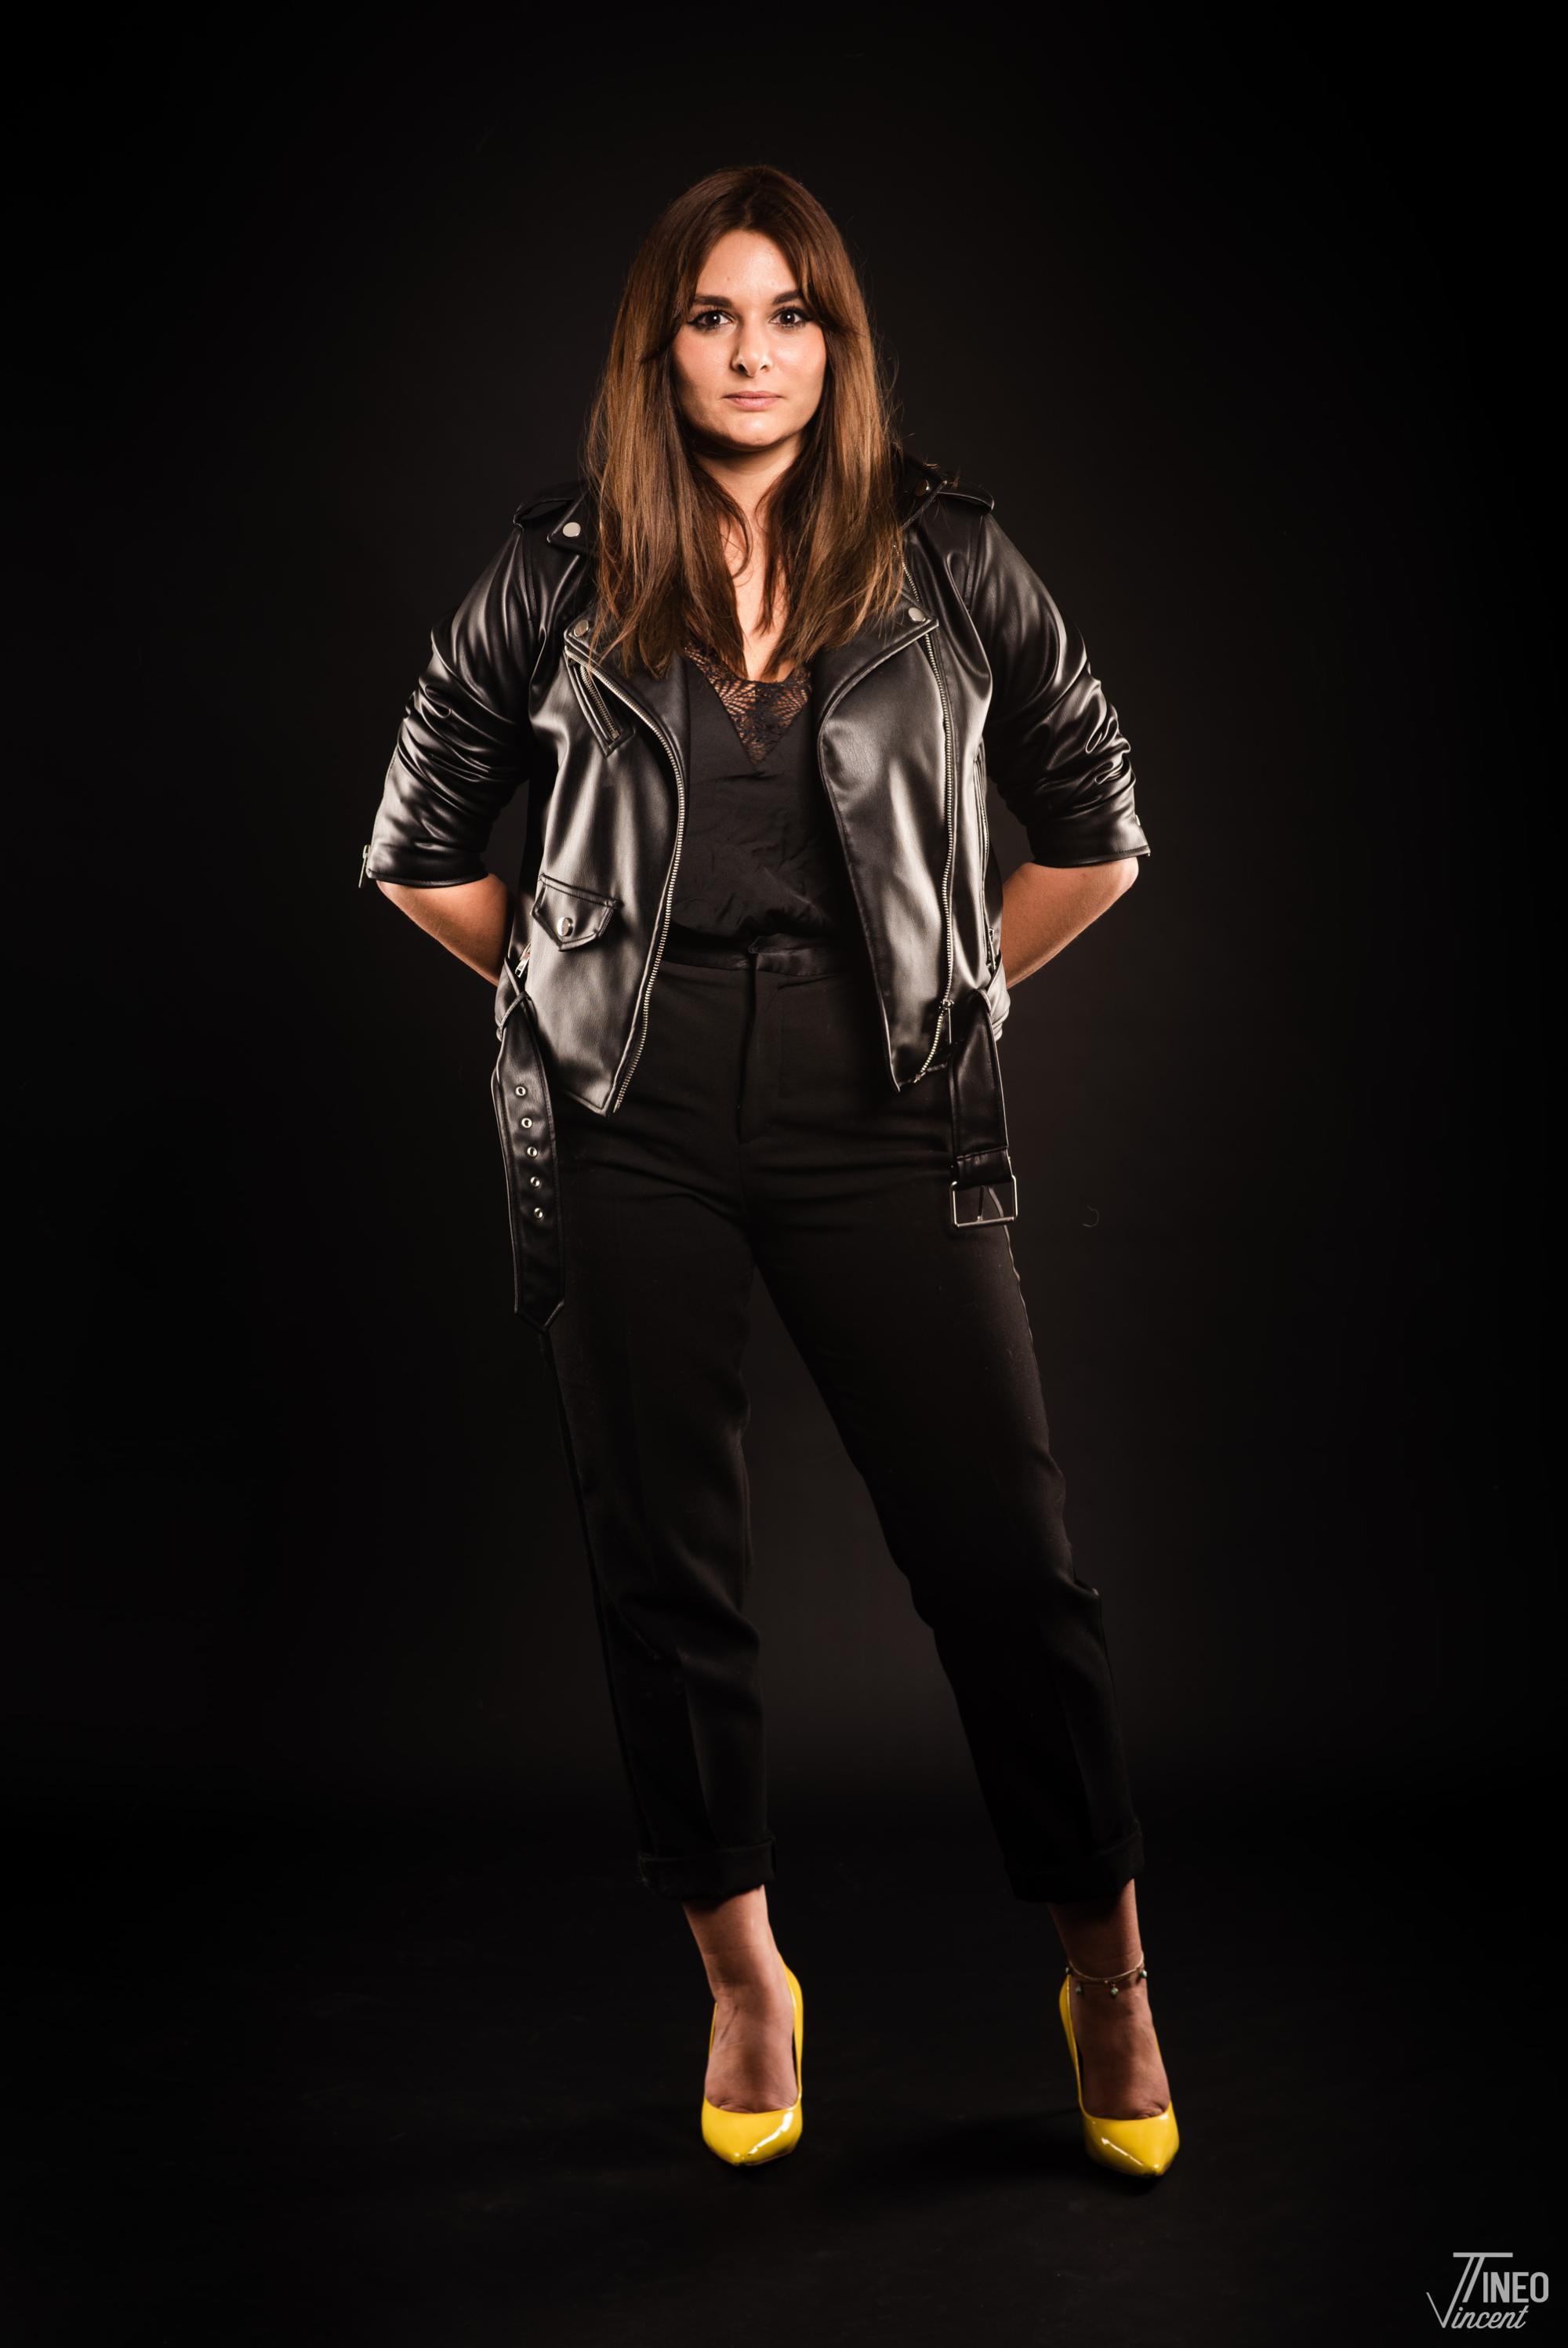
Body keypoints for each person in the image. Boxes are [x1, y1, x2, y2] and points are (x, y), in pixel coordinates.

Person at [361, 164, 1178, 2177]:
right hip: (626, 1113)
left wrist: (958, 983)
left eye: (790, 315)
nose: (754, 354)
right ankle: (743, 1979)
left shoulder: (947, 557)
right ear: (661, 351)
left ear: (837, 342)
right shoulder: (557, 569)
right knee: (667, 1567)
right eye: (715, 317)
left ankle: (1112, 1971)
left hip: (880, 1098)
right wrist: (567, 994)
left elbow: (1095, 822)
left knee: (1003, 1563)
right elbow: (418, 843)